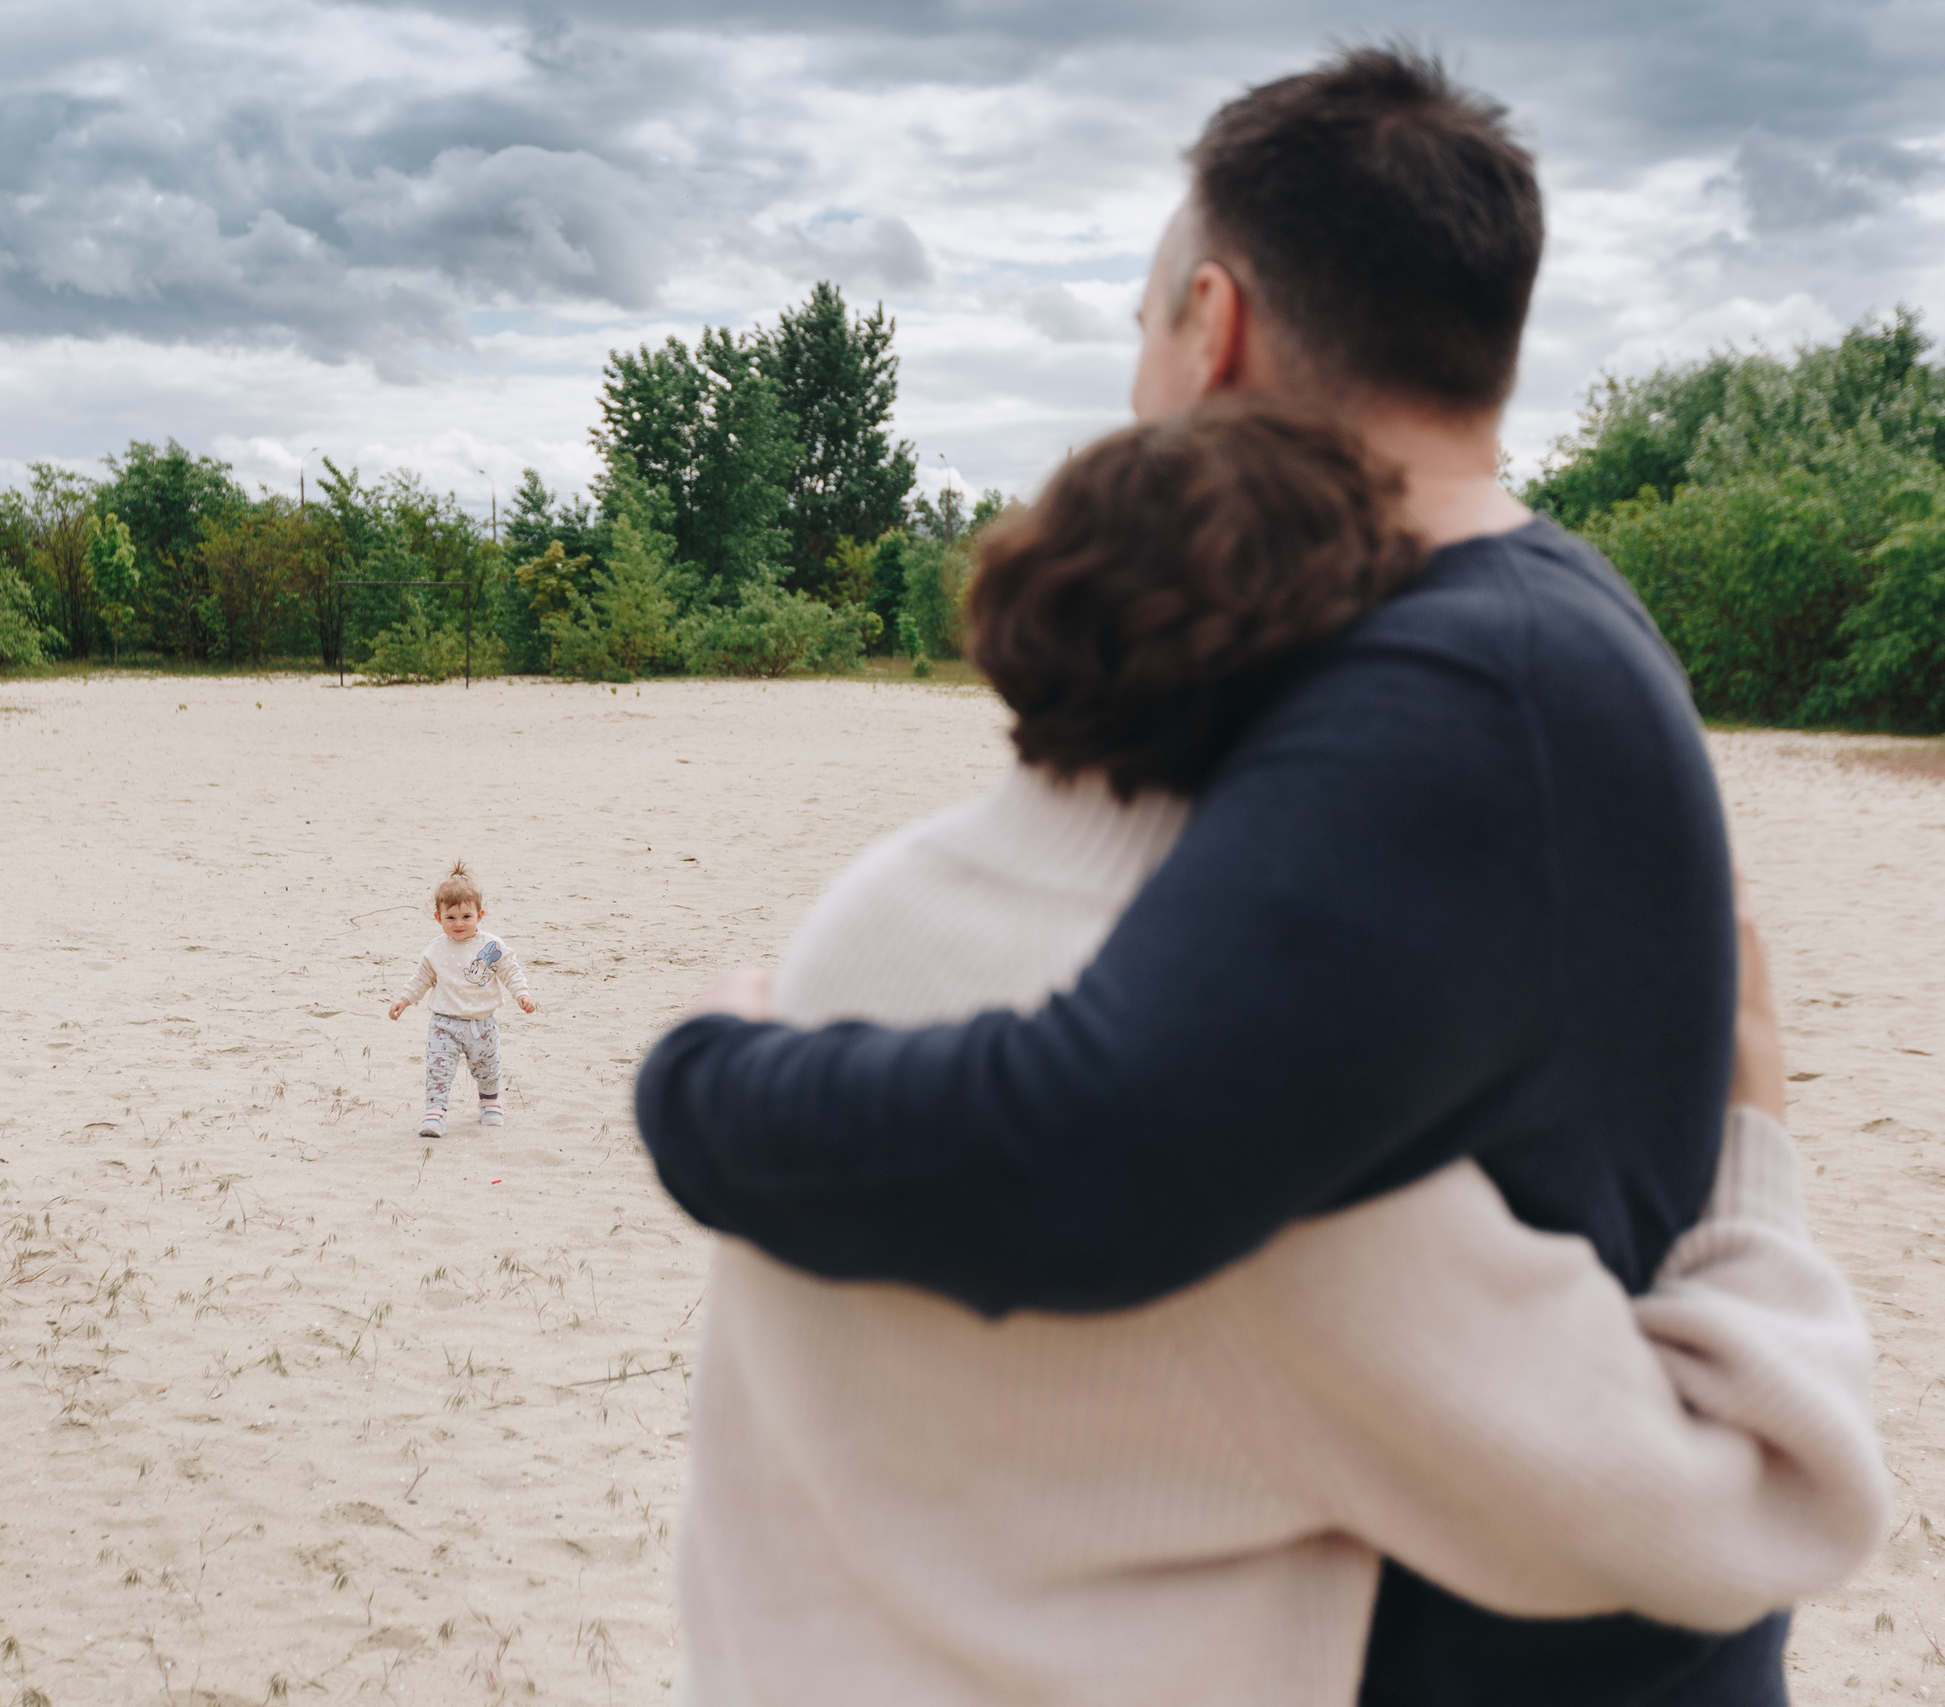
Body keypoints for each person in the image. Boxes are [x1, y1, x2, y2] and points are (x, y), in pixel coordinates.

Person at [636, 49, 1809, 1704]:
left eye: (1139, 326)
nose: (1137, 388)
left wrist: (707, 1080)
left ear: (1214, 321)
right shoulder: (1513, 624)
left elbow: (1096, 1148)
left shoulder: (1460, 681)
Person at [389, 861, 535, 1138]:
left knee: (487, 1067)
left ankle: (489, 1102)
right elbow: (421, 980)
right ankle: (435, 1112)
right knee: (438, 1068)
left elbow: (510, 971)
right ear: (438, 918)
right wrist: (404, 1000)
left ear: (480, 915)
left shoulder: (491, 946)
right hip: (443, 1023)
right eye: (451, 917)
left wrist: (522, 994)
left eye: (466, 917)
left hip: (482, 1024)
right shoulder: (435, 950)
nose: (459, 924)